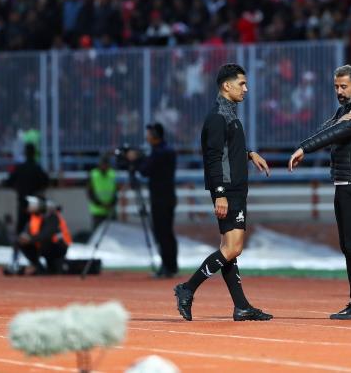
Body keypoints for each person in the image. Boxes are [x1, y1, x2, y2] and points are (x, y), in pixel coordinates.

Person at [174, 63, 273, 322]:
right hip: (228, 189)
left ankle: (241, 306)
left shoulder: (228, 114)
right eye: (242, 84)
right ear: (226, 86)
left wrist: (249, 153)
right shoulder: (218, 116)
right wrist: (219, 193)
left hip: (234, 187)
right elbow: (213, 157)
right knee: (233, 249)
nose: (246, 89)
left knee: (229, 249)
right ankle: (187, 288)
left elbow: (229, 147)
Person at [289, 64, 351, 320]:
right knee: (348, 245)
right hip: (344, 183)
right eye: (336, 87)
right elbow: (327, 129)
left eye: (344, 86)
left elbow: (336, 132)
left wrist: (305, 148)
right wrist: (335, 123)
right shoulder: (344, 111)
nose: (339, 91)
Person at [127, 123, 178, 278]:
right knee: (166, 233)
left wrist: (135, 160)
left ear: (155, 135)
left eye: (149, 134)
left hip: (161, 198)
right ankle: (170, 266)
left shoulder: (162, 152)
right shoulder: (164, 151)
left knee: (163, 233)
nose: (147, 137)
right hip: (165, 197)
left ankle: (168, 267)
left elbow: (145, 170)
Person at [18, 196, 72, 275]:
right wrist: (23, 238)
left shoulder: (52, 216)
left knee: (55, 268)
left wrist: (30, 239)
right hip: (41, 245)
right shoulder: (34, 218)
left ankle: (49, 267)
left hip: (57, 247)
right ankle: (38, 267)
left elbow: (47, 234)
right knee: (22, 243)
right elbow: (27, 231)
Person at [6, 143, 49, 235]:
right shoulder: (37, 168)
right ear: (34, 154)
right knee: (36, 229)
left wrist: (18, 188)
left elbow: (9, 182)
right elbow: (46, 182)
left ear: (25, 153)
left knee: (21, 228)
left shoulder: (20, 168)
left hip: (23, 202)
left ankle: (19, 242)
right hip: (34, 202)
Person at [87, 153, 117, 232]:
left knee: (113, 233)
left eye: (106, 164)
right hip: (98, 211)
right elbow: (90, 193)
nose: (105, 166)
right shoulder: (93, 174)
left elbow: (115, 192)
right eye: (103, 164)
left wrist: (111, 204)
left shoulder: (112, 174)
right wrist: (102, 204)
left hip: (110, 210)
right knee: (97, 232)